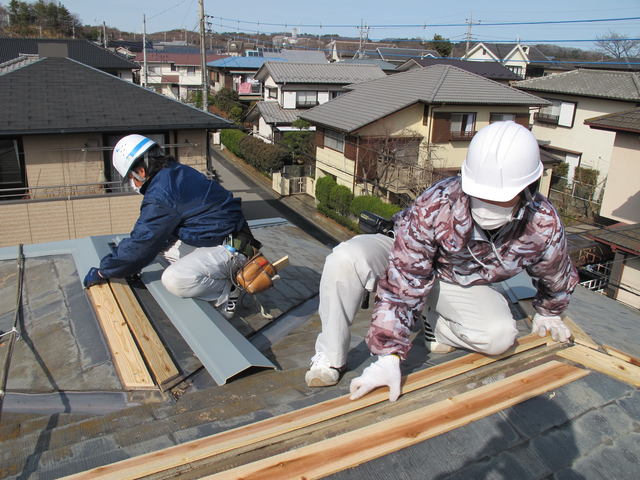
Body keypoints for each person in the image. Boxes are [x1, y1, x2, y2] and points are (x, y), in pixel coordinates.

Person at [305, 121, 579, 401]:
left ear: (527, 189)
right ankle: (330, 357)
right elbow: (406, 278)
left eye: (500, 198)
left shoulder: (541, 223)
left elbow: (555, 272)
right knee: (346, 258)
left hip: (455, 280)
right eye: (480, 194)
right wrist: (389, 355)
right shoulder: (438, 203)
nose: (487, 204)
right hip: (403, 253)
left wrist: (550, 311)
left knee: (499, 338)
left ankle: (433, 323)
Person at [83, 134, 259, 318]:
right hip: (228, 240)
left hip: (233, 250)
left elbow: (143, 242)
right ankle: (221, 277)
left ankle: (227, 291)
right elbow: (152, 238)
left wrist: (104, 272)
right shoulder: (175, 173)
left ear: (141, 172)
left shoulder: (162, 193)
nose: (132, 183)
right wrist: (129, 265)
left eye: (130, 177)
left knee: (174, 279)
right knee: (162, 246)